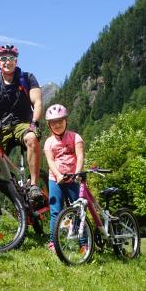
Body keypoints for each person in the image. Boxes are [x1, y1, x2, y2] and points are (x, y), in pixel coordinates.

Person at [0, 44, 43, 200]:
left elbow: (37, 102)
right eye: (3, 58)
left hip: (23, 124)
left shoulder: (27, 79)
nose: (7, 61)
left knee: (31, 138)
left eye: (10, 58)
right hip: (0, 129)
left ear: (16, 61)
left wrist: (34, 124)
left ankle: (34, 185)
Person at [43, 104, 84, 252]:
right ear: (49, 125)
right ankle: (53, 242)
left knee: (78, 210)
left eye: (60, 121)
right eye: (54, 122)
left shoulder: (75, 137)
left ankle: (83, 242)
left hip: (73, 178)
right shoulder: (49, 142)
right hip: (55, 179)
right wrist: (58, 175)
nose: (58, 124)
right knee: (56, 211)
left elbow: (79, 156)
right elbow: (50, 161)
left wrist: (78, 173)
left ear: (66, 121)